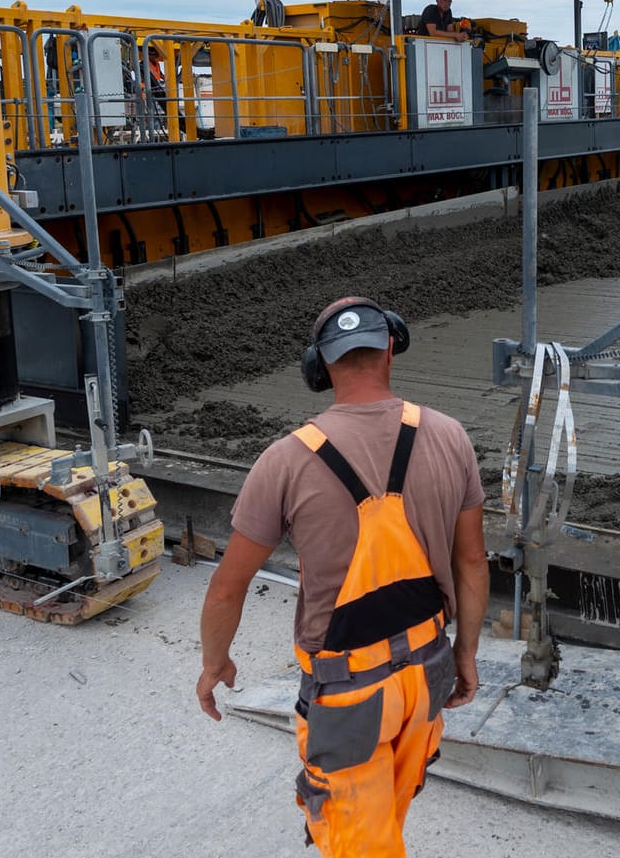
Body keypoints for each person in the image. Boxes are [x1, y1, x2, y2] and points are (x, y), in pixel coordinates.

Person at [196, 297, 488, 856]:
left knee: (359, 840)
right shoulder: (451, 436)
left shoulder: (284, 461)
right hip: (427, 674)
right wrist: (466, 654)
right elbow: (471, 562)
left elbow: (228, 585)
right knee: (388, 821)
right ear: (389, 352)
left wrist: (216, 663)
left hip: (349, 697)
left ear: (319, 369)